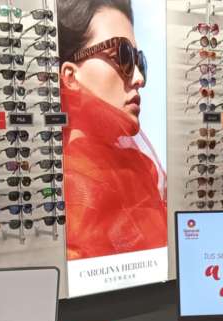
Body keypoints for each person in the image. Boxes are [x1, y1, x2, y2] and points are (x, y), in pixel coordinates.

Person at [58, 0, 167, 261]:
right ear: (70, 76)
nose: (139, 78)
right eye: (123, 56)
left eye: (140, 61)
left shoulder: (140, 172)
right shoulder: (63, 187)